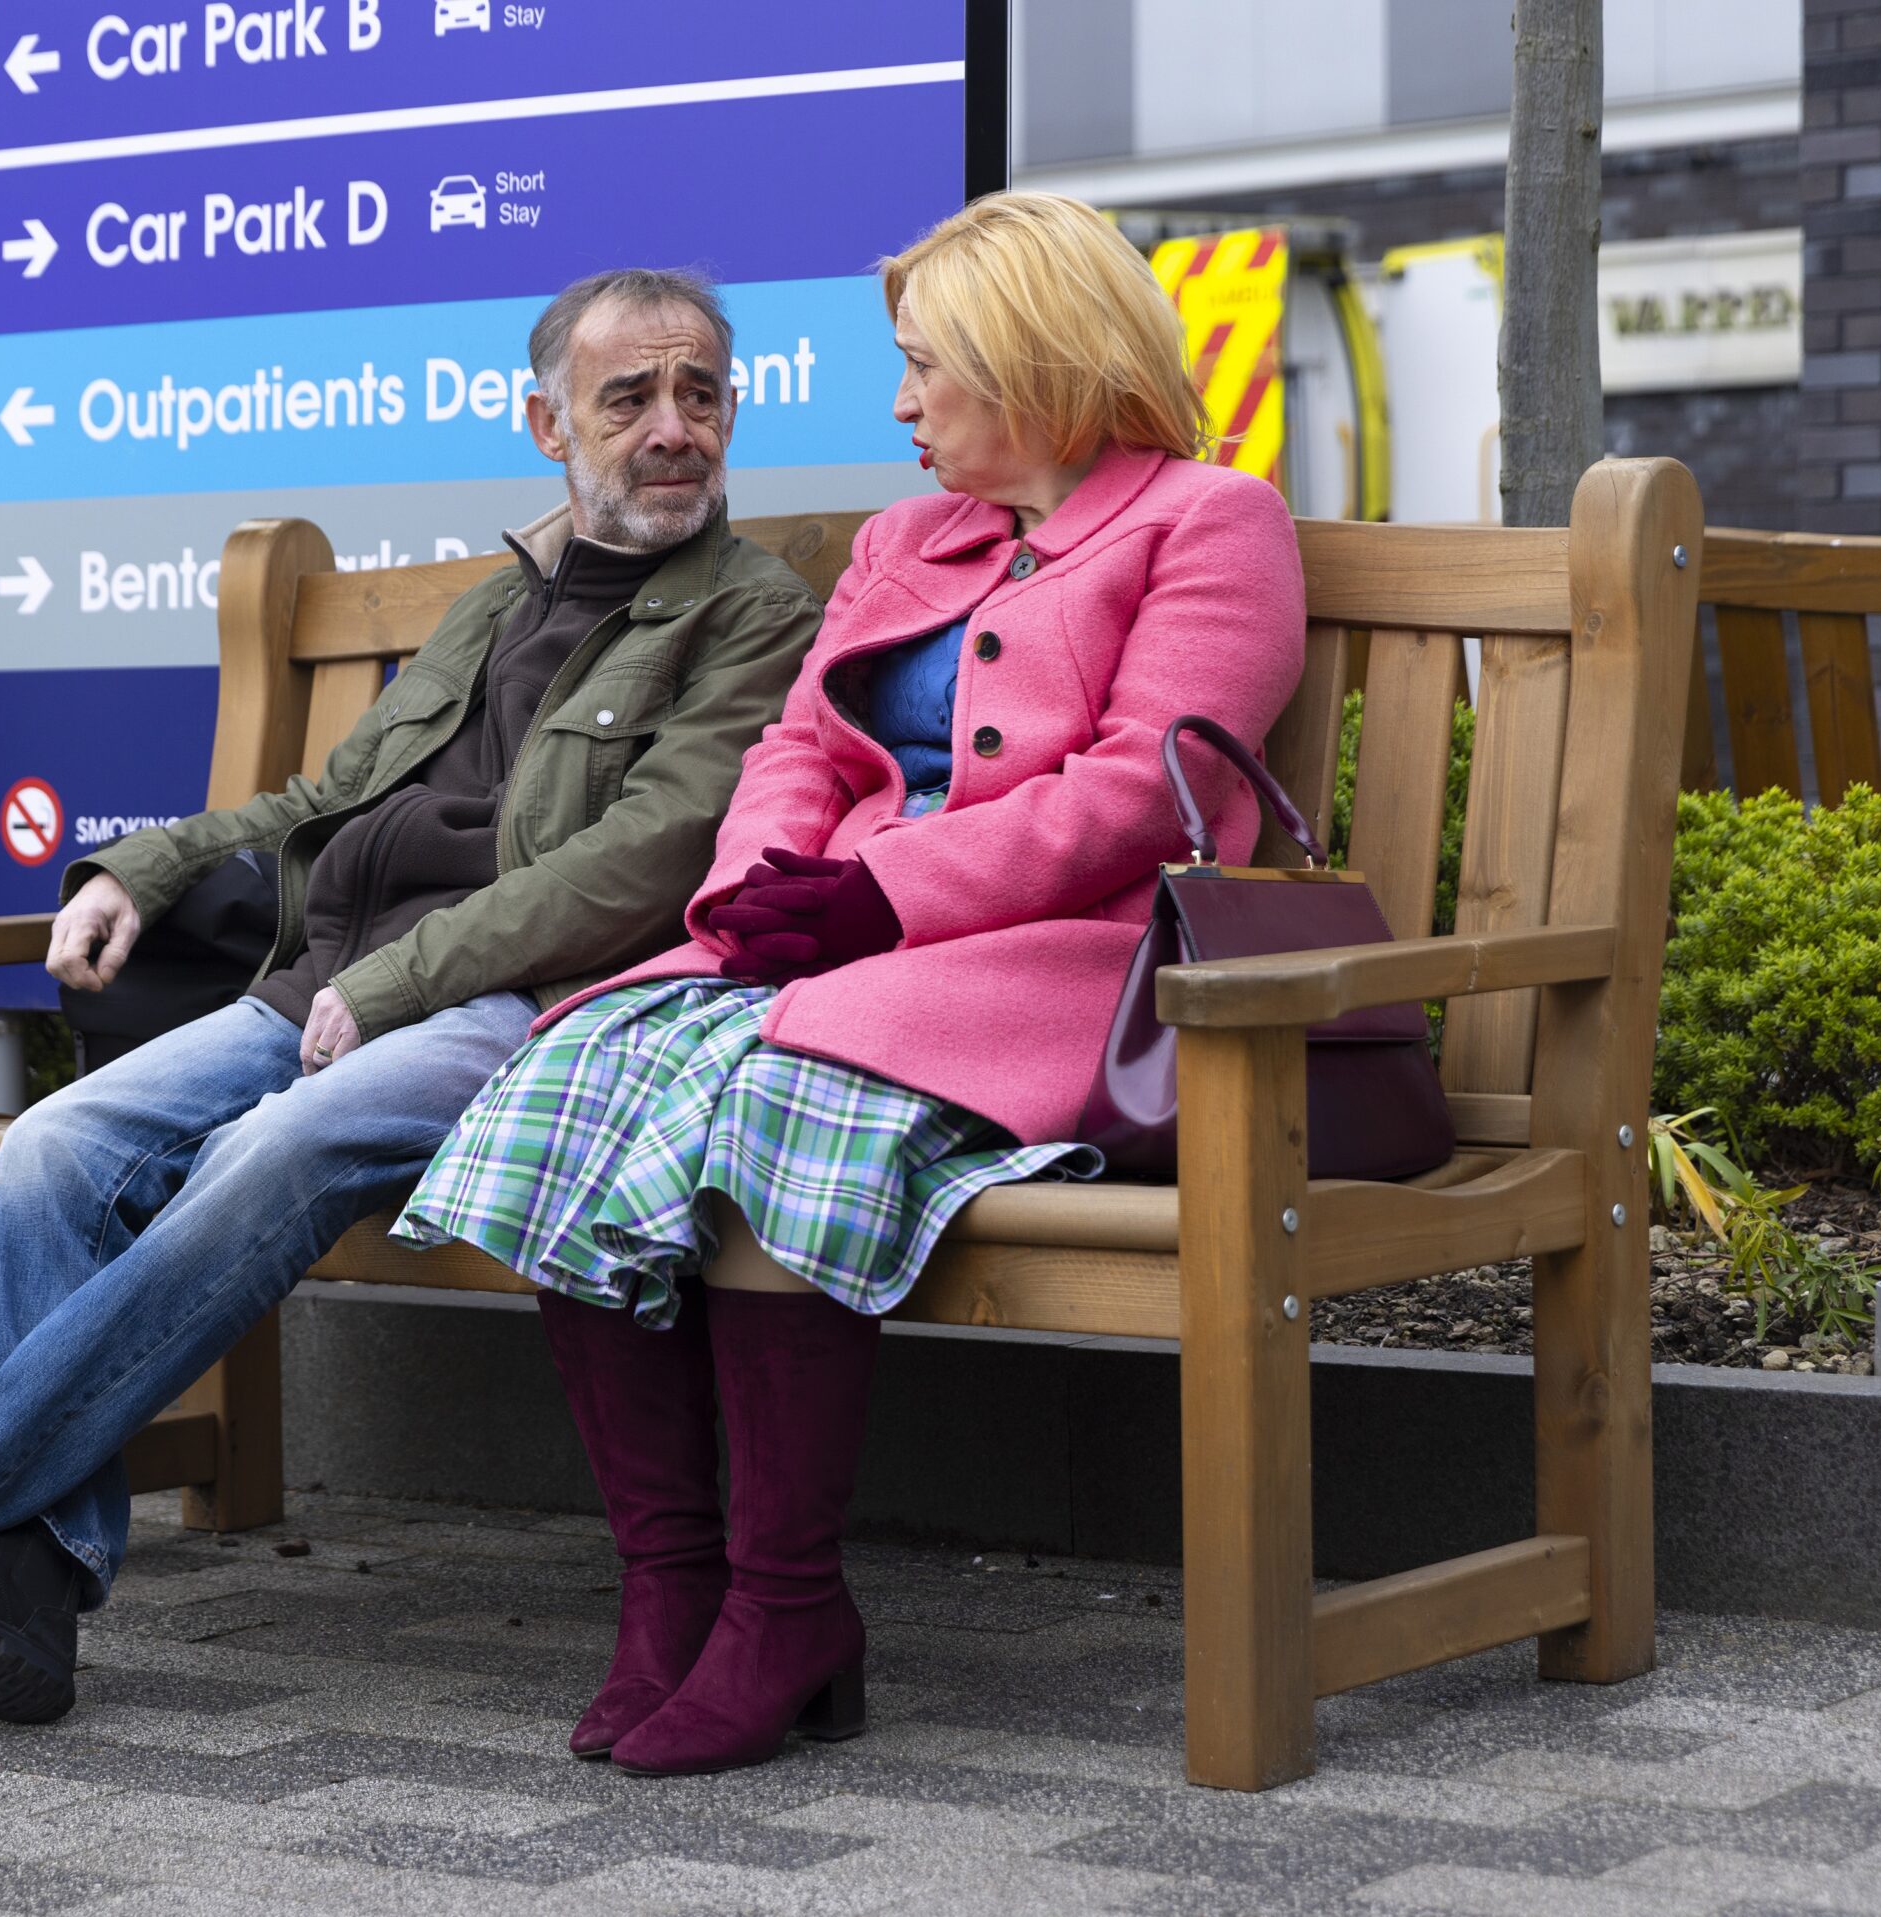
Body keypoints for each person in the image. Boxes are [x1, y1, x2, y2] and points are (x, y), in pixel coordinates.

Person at [0, 267, 827, 1725]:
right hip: (322, 988)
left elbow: (645, 859)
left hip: (525, 1011)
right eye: (632, 398)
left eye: (703, 395)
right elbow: (325, 796)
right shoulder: (497, 605)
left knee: (270, 1149)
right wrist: (142, 869)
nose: (676, 427)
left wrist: (403, 972)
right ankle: (28, 1587)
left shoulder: (750, 613)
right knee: (57, 1147)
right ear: (547, 420)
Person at [395, 192, 1307, 1777]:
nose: (900, 405)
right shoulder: (908, 539)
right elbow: (799, 747)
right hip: (841, 946)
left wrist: (877, 894)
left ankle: (786, 1603)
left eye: (925, 367)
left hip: (1052, 972)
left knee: (779, 1097)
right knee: (569, 1074)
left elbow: (1138, 796)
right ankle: (670, 1593)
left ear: (1035, 362)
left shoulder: (1209, 522)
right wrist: (760, 888)